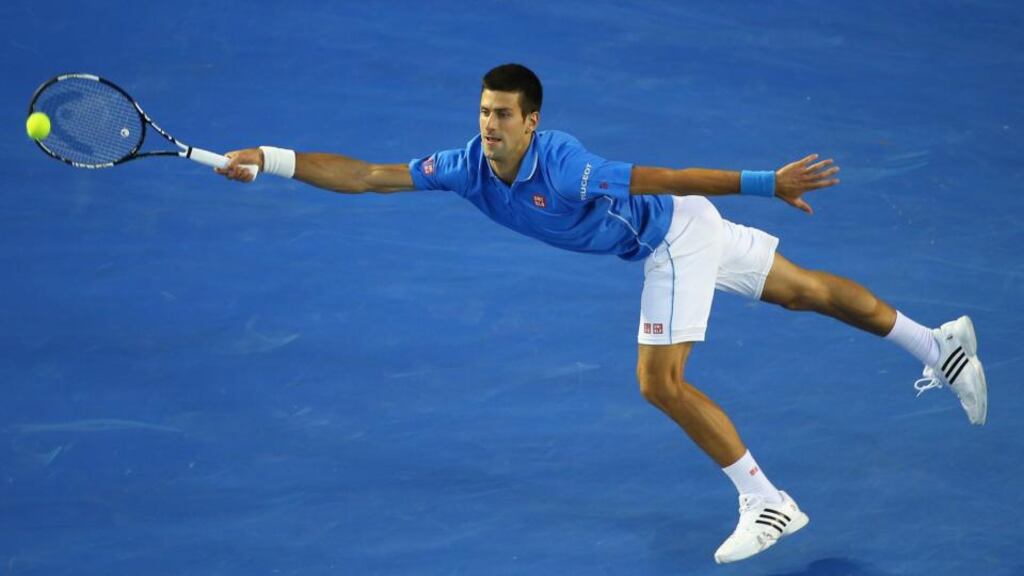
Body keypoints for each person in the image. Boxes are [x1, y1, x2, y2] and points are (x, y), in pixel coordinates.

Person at [216, 63, 988, 563]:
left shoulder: (570, 164)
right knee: (805, 291)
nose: (487, 125)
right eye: (483, 111)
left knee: (660, 382)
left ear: (532, 122)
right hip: (678, 233)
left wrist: (763, 181)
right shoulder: (463, 168)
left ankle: (768, 501)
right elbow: (368, 175)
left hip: (672, 238)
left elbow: (665, 173)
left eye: (503, 116)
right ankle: (938, 345)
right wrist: (272, 158)